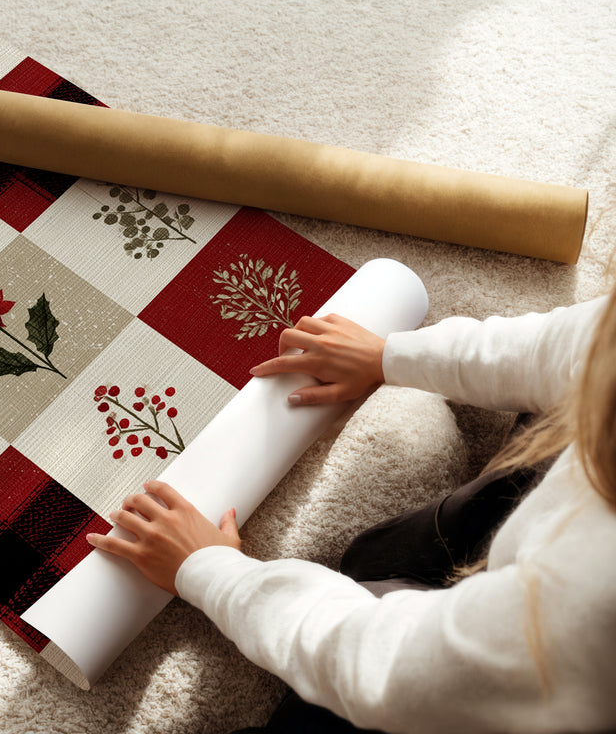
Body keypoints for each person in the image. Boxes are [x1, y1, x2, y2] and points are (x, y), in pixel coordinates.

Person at [87, 292, 616, 733]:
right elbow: (578, 345)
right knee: (382, 556)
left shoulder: (591, 604)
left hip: (539, 683)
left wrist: (210, 571)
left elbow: (387, 667)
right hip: (548, 576)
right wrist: (389, 355)